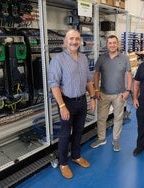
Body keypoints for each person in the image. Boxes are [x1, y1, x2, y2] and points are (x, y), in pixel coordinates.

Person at [48, 29, 96, 179]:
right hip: (66, 102)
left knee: (79, 131)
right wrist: (62, 106)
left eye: (77, 39)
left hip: (82, 101)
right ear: (65, 42)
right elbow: (54, 85)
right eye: (71, 39)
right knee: (64, 134)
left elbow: (88, 80)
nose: (74, 41)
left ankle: (76, 156)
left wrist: (93, 97)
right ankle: (63, 163)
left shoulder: (83, 58)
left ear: (80, 41)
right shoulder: (57, 60)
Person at [90, 35, 132, 151]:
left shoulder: (124, 58)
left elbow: (129, 74)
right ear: (107, 45)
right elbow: (96, 74)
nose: (112, 45)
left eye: (114, 43)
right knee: (101, 118)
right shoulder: (101, 59)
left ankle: (116, 140)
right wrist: (96, 90)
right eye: (110, 43)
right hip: (103, 93)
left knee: (118, 118)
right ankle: (101, 138)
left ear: (117, 44)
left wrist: (128, 90)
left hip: (119, 94)